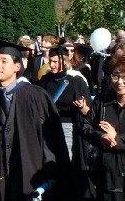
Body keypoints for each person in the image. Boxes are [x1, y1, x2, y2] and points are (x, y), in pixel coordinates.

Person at [0, 41, 70, 200]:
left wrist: (50, 171)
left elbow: (49, 140)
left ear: (17, 67)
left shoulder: (36, 97)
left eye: (4, 61)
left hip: (29, 169)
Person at [37, 45, 95, 199]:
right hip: (48, 127)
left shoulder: (76, 81)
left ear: (66, 61)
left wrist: (82, 107)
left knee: (66, 160)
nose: (53, 65)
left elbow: (88, 109)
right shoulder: (45, 80)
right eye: (51, 61)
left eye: (57, 61)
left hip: (67, 126)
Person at [82, 52, 125, 200]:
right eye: (115, 76)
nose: (120, 82)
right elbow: (85, 127)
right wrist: (101, 136)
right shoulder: (102, 100)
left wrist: (116, 138)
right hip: (107, 175)